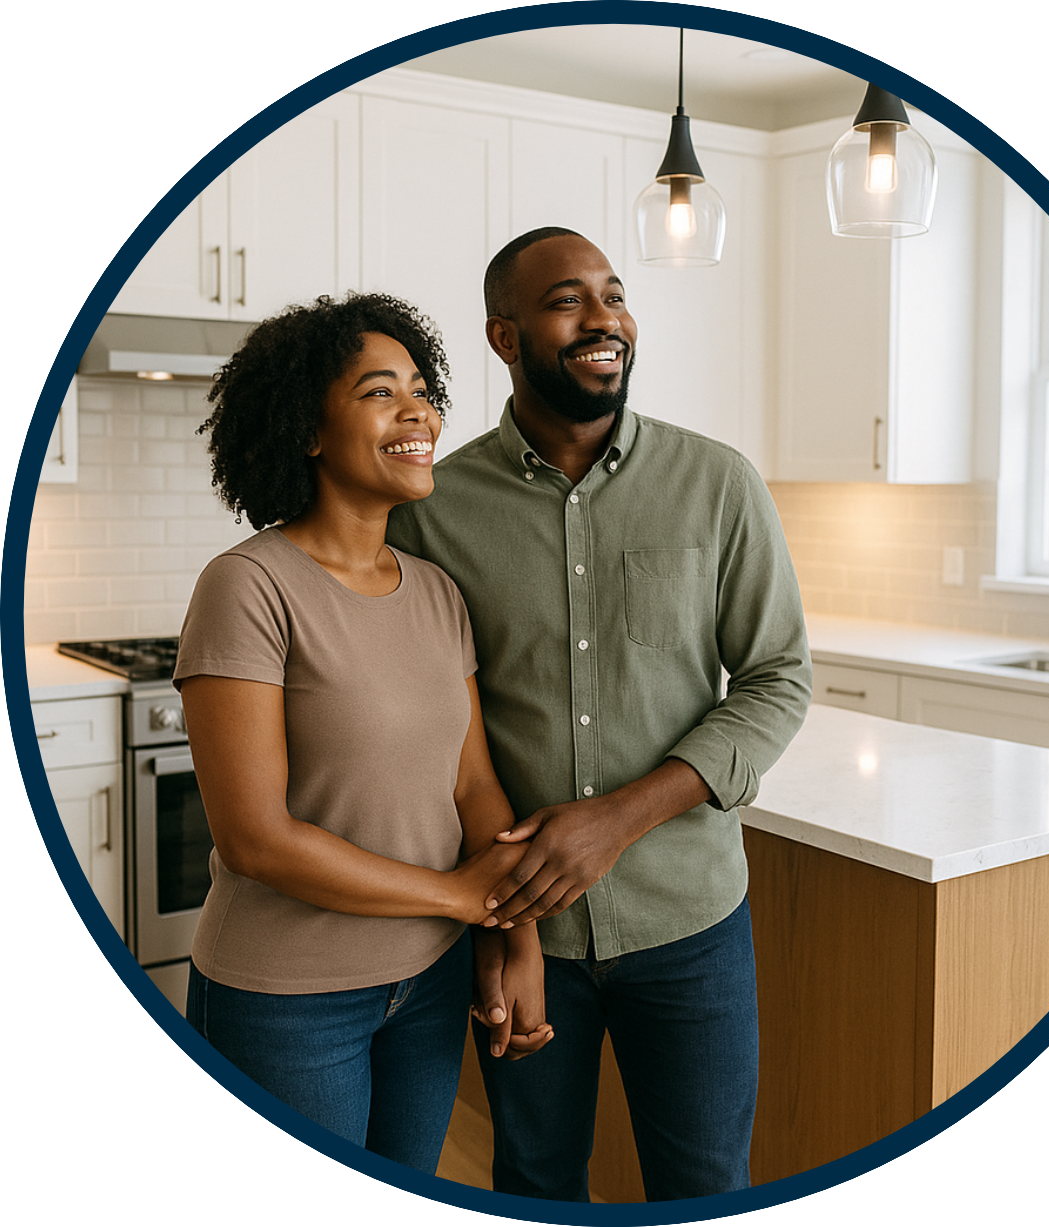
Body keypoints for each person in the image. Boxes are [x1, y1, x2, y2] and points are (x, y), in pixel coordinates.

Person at [387, 229, 812, 1200]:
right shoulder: (432, 510)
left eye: (614, 296)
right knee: (535, 1180)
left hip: (693, 925)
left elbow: (778, 675)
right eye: (567, 299)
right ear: (505, 334)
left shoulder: (718, 485)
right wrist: (498, 923)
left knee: (704, 1184)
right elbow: (431, 732)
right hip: (524, 929)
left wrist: (617, 818)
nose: (603, 318)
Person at [174, 292, 551, 1176]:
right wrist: (458, 897)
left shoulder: (434, 590)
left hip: (426, 984)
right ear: (309, 429)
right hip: (287, 997)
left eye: (422, 388)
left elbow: (471, 787)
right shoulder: (248, 587)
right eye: (381, 393)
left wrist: (511, 927)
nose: (419, 410)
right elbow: (256, 837)